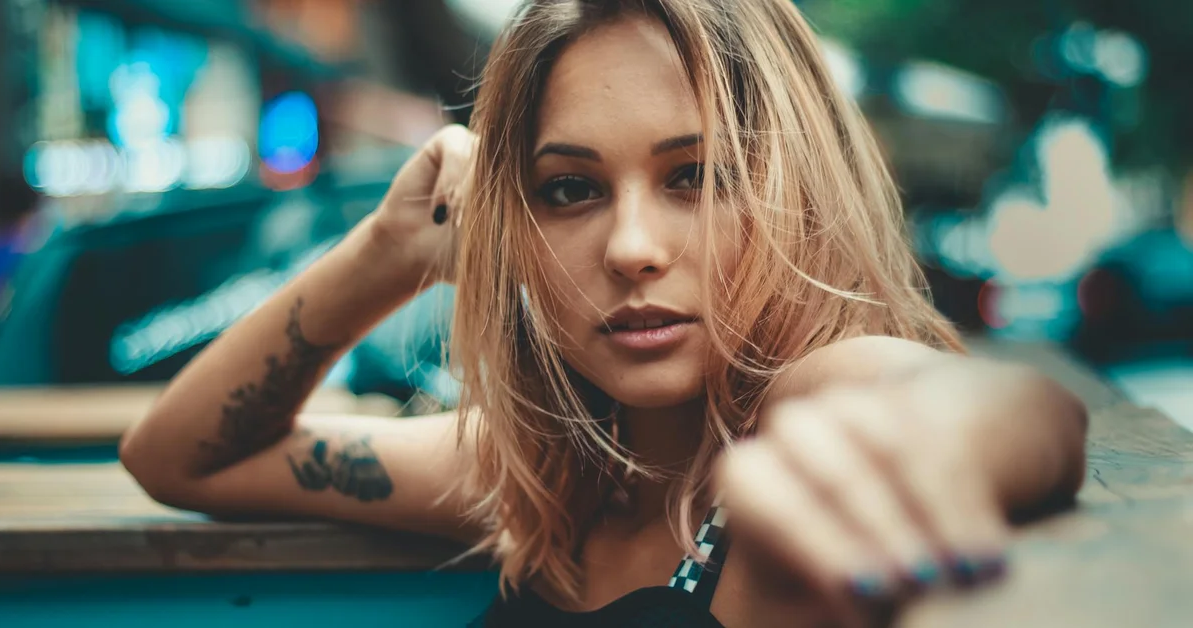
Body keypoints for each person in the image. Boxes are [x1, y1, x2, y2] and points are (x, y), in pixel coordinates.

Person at [120, 1, 1089, 625]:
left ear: (795, 191)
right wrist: (384, 255)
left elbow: (1002, 407)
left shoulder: (797, 424)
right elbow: (177, 454)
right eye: (569, 190)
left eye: (695, 176)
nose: (631, 246)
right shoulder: (535, 481)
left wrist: (957, 438)